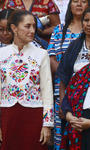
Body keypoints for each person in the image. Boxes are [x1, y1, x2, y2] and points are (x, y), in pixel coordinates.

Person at [0, 9, 54, 150]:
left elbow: (47, 90)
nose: (32, 30)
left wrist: (47, 124)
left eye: (34, 26)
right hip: (7, 115)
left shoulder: (42, 54)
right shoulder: (1, 54)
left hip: (34, 116)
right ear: (14, 28)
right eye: (27, 26)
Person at [56, 4, 90, 146]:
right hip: (73, 106)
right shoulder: (74, 46)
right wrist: (62, 105)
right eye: (86, 20)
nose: (89, 24)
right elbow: (64, 78)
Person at [47, 0, 90, 149]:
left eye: (83, 1)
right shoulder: (59, 30)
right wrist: (69, 79)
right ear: (69, 6)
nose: (79, 4)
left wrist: (80, 80)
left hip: (89, 91)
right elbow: (52, 59)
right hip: (62, 89)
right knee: (61, 136)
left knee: (84, 131)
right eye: (75, 1)